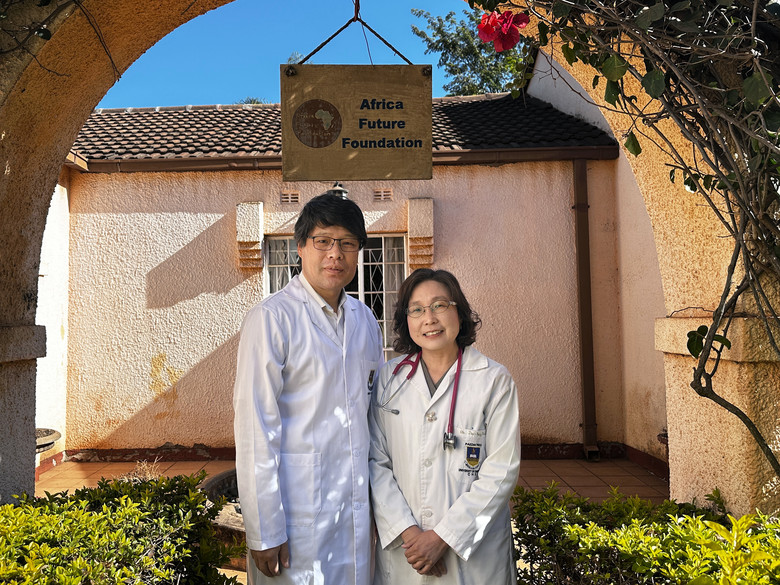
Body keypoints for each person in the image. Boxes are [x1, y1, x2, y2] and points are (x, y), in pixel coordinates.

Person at [233, 193, 384, 585]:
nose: (335, 253)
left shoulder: (366, 320)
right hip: (295, 512)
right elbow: (255, 428)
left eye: (347, 243)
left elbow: (373, 416)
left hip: (354, 508)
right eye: (323, 241)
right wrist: (264, 529)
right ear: (300, 246)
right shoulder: (272, 319)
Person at [369, 268, 521, 585]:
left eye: (439, 305)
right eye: (417, 309)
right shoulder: (389, 379)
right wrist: (409, 533)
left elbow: (502, 470)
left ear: (459, 312)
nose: (429, 318)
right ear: (406, 320)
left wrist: (444, 537)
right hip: (406, 551)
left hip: (474, 557)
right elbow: (375, 460)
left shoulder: (493, 380)